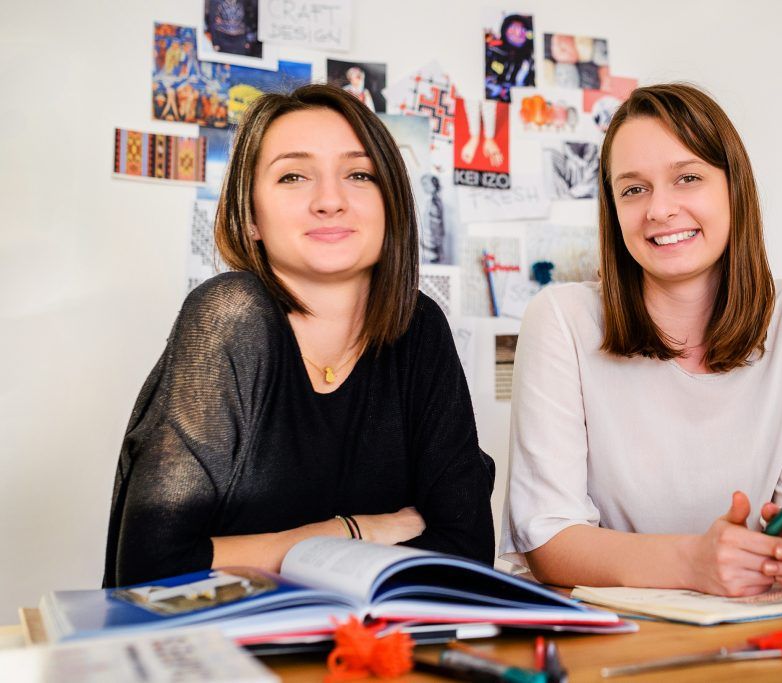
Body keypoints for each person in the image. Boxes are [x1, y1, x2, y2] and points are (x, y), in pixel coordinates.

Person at [104, 84, 495, 588]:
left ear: (392, 204)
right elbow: (152, 567)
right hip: (219, 637)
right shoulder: (228, 315)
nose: (330, 201)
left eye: (359, 175)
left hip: (369, 637)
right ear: (250, 216)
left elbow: (466, 551)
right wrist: (351, 531)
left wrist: (250, 552)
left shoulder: (420, 326)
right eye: (293, 176)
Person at [501, 83, 782, 596]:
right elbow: (548, 539)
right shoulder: (561, 319)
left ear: (734, 189)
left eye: (687, 178)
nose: (659, 210)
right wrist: (692, 563)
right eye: (633, 189)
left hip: (756, 615)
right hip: (614, 629)